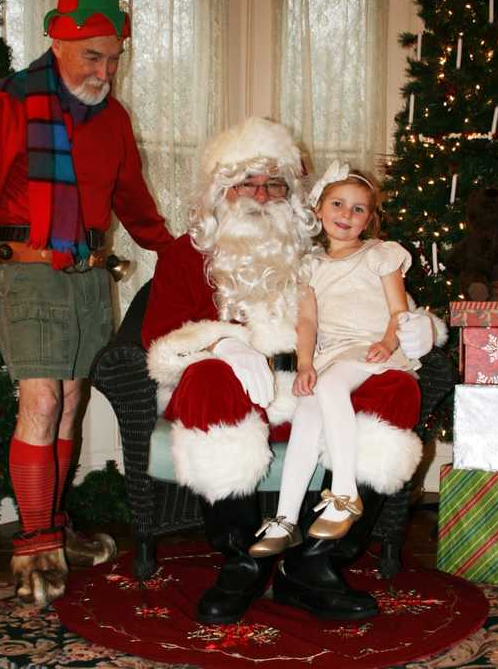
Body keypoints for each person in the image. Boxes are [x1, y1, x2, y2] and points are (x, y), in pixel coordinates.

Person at [0, 0, 173, 606]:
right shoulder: (7, 106)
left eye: (113, 58)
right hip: (27, 273)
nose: (104, 71)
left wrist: (181, 251)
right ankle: (35, 551)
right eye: (92, 56)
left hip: (89, 277)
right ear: (59, 41)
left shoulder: (116, 120)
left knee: (70, 402)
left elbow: (135, 204)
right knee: (40, 401)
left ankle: (51, 524)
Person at [142, 117, 437, 624]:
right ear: (219, 191)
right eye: (246, 183)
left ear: (294, 194)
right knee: (208, 378)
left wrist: (422, 327)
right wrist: (221, 342)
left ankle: (313, 565)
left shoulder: (318, 249)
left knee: (392, 386)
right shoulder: (185, 256)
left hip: (314, 384)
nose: (261, 195)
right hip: (234, 393)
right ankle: (242, 560)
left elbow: (379, 304)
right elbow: (159, 341)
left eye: (274, 184)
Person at [249, 160, 419, 557]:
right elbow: (306, 321)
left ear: (369, 219)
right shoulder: (310, 266)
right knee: (308, 412)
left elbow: (400, 310)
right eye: (338, 204)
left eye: (358, 209)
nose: (347, 215)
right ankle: (287, 518)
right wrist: (305, 364)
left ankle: (344, 492)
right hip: (329, 355)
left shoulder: (381, 254)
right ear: (318, 211)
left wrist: (390, 340)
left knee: (332, 384)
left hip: (371, 348)